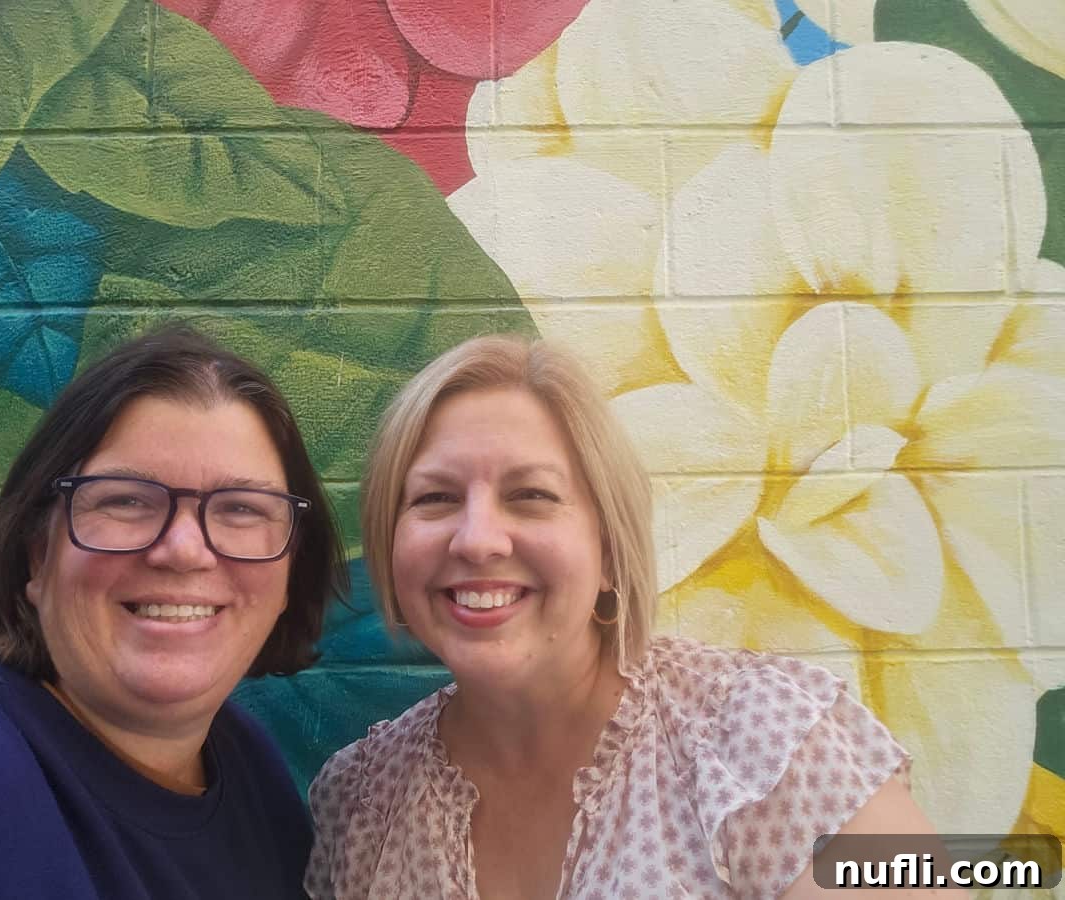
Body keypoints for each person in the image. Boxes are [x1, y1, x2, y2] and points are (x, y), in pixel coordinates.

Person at [304, 334, 967, 900]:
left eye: (531, 495)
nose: (477, 539)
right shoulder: (362, 803)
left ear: (611, 551)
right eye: (436, 497)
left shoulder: (765, 744)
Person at [0, 325, 346, 900]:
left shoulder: (250, 774)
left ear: (291, 571)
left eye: (241, 509)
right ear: (37, 555)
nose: (184, 550)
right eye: (126, 500)